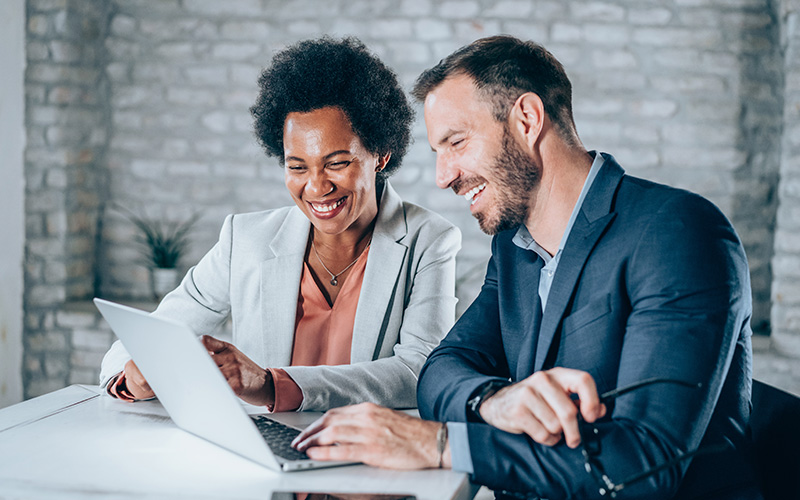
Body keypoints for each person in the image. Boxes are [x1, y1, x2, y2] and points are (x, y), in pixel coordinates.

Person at [292, 36, 760, 499]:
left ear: (527, 119)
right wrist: (492, 401)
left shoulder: (676, 233)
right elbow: (441, 370)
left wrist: (437, 443)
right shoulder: (514, 246)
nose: (443, 176)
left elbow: (640, 466)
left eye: (455, 142)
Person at [98, 37, 461, 412]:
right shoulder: (246, 240)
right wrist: (134, 378)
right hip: (266, 449)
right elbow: (140, 342)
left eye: (337, 163)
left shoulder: (429, 240)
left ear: (380, 155)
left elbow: (419, 371)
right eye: (297, 166)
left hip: (364, 457)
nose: (317, 187)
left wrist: (272, 386)